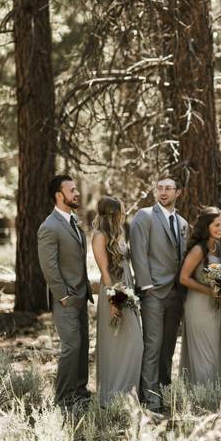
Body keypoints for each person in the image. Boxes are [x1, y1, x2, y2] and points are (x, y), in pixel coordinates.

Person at [130, 177, 188, 411]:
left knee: (168, 348)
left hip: (176, 293)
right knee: (152, 346)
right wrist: (146, 286)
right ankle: (150, 398)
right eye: (160, 188)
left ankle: (164, 392)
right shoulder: (144, 216)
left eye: (169, 189)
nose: (163, 193)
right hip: (153, 291)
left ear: (178, 192)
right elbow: (138, 252)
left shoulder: (183, 222)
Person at [37, 175, 92, 409]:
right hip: (66, 299)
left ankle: (80, 392)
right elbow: (49, 266)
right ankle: (62, 400)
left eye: (76, 189)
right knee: (71, 347)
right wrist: (64, 296)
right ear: (59, 195)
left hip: (81, 294)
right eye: (71, 190)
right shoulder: (49, 227)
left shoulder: (74, 221)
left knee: (82, 346)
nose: (76, 193)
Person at [92, 196, 143, 406]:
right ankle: (113, 396)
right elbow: (104, 271)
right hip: (114, 293)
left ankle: (128, 395)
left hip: (127, 289)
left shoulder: (119, 234)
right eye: (121, 210)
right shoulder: (99, 236)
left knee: (134, 343)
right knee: (118, 342)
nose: (124, 214)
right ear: (113, 213)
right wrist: (113, 299)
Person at [178, 207, 221, 387]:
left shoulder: (219, 247)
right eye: (216, 225)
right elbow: (183, 278)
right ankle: (203, 396)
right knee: (203, 351)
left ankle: (215, 393)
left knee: (216, 351)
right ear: (206, 226)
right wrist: (209, 291)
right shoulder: (198, 250)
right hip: (199, 306)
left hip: (216, 306)